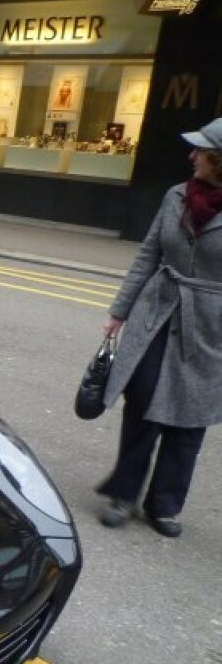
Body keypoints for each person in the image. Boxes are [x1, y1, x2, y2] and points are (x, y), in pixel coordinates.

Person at [95, 116, 222, 539]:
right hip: (157, 311)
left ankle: (164, 505)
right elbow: (147, 255)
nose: (191, 156)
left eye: (200, 151)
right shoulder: (175, 196)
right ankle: (123, 494)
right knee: (142, 402)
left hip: (210, 325)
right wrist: (119, 311)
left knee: (189, 420)